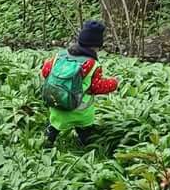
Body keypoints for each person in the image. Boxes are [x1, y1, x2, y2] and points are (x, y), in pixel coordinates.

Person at [41, 20, 119, 148]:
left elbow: (45, 72)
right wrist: (114, 83)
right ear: (97, 46)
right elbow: (96, 87)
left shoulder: (59, 56)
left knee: (54, 125)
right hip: (80, 109)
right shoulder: (92, 64)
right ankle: (84, 145)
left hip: (57, 102)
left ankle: (47, 142)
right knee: (84, 129)